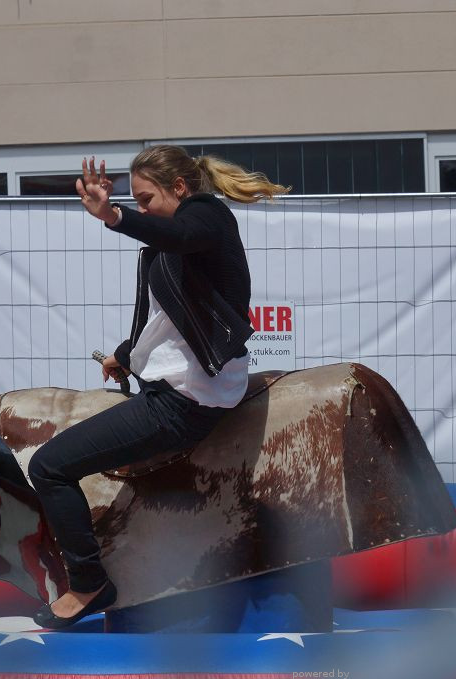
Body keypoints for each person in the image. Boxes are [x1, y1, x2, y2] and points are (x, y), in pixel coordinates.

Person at [28, 145, 288, 628]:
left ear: (181, 189)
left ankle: (88, 583)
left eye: (147, 199)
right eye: (137, 203)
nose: (143, 209)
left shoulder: (206, 218)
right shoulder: (175, 243)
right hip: (173, 391)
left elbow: (179, 232)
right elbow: (166, 319)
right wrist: (122, 357)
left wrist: (114, 215)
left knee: (48, 468)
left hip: (186, 401)